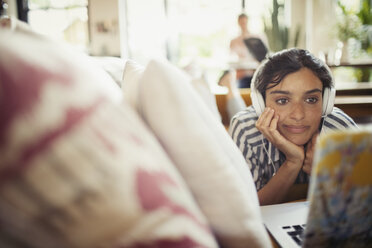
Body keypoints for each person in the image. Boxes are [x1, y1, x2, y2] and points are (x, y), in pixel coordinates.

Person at [229, 48, 358, 205]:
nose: (298, 115)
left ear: (326, 103)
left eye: (311, 100)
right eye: (282, 101)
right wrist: (293, 162)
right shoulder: (246, 130)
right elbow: (244, 210)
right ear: (260, 104)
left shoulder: (339, 128)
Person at [229, 13, 268, 88]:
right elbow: (231, 59)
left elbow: (265, 55)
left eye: (245, 22)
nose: (243, 25)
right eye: (241, 22)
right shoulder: (234, 41)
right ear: (238, 23)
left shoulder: (258, 38)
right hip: (241, 76)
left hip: (257, 74)